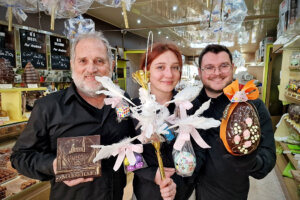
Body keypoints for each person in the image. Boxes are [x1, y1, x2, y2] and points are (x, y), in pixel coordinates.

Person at [10, 32, 135, 200]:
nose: (91, 69)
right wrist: (54, 165)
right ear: (72, 65)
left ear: (111, 66)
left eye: (99, 61)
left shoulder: (122, 101)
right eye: (83, 61)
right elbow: (20, 156)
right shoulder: (48, 107)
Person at [193, 44, 276, 200]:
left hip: (233, 194)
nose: (217, 73)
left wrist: (250, 161)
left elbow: (268, 156)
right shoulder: (191, 106)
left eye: (223, 66)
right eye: (209, 67)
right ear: (200, 72)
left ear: (233, 67)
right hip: (200, 192)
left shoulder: (252, 105)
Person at [132, 43, 204, 200]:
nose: (169, 74)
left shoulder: (189, 105)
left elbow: (200, 151)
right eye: (160, 67)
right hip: (146, 192)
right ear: (146, 71)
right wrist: (153, 175)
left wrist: (176, 181)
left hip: (183, 191)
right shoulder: (133, 108)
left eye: (175, 67)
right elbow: (126, 153)